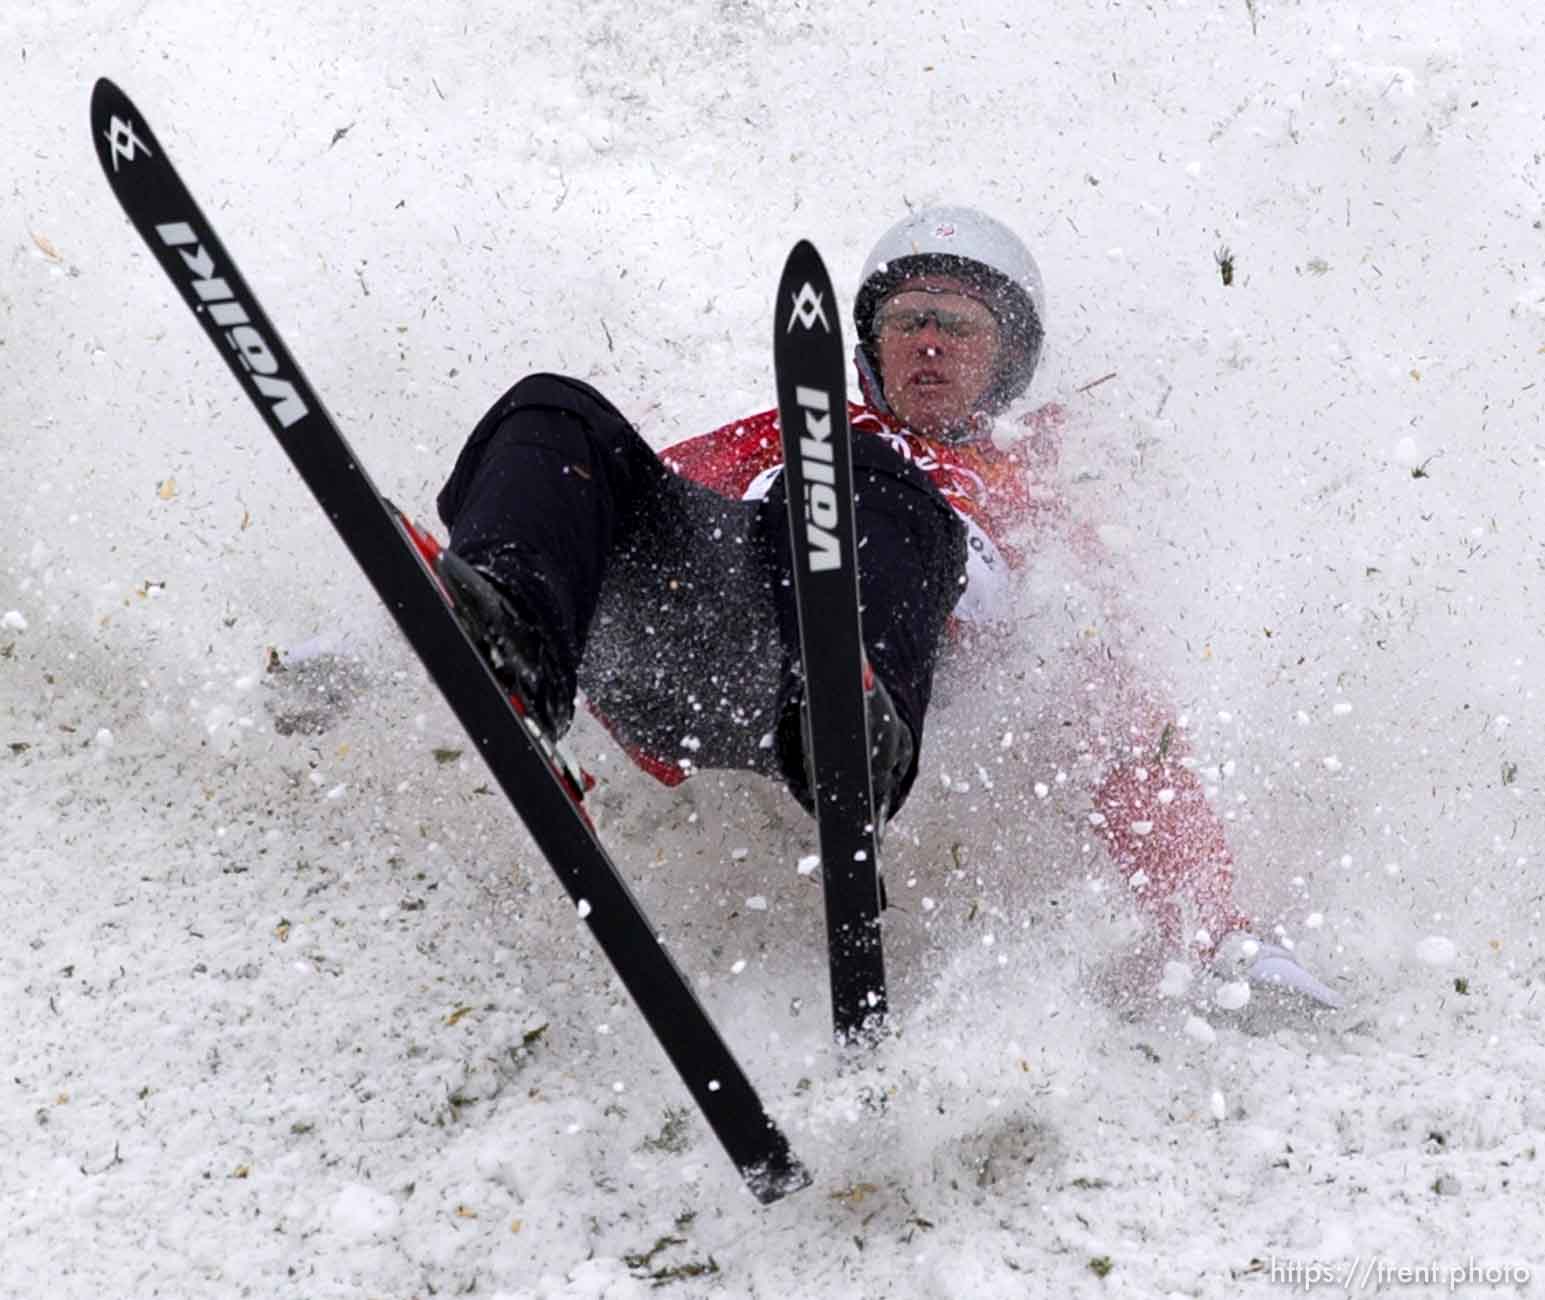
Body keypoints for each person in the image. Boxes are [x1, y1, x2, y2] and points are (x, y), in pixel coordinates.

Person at [433, 205, 1342, 1009]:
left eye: (958, 325)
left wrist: (1217, 933)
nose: (929, 343)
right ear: (870, 344)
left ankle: (848, 720)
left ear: (1011, 359)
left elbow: (1125, 739)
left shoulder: (1046, 524)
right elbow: (591, 512)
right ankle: (507, 641)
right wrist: (407, 620)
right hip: (683, 641)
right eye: (906, 322)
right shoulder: (787, 429)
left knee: (869, 476)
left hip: (836, 711)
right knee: (555, 411)